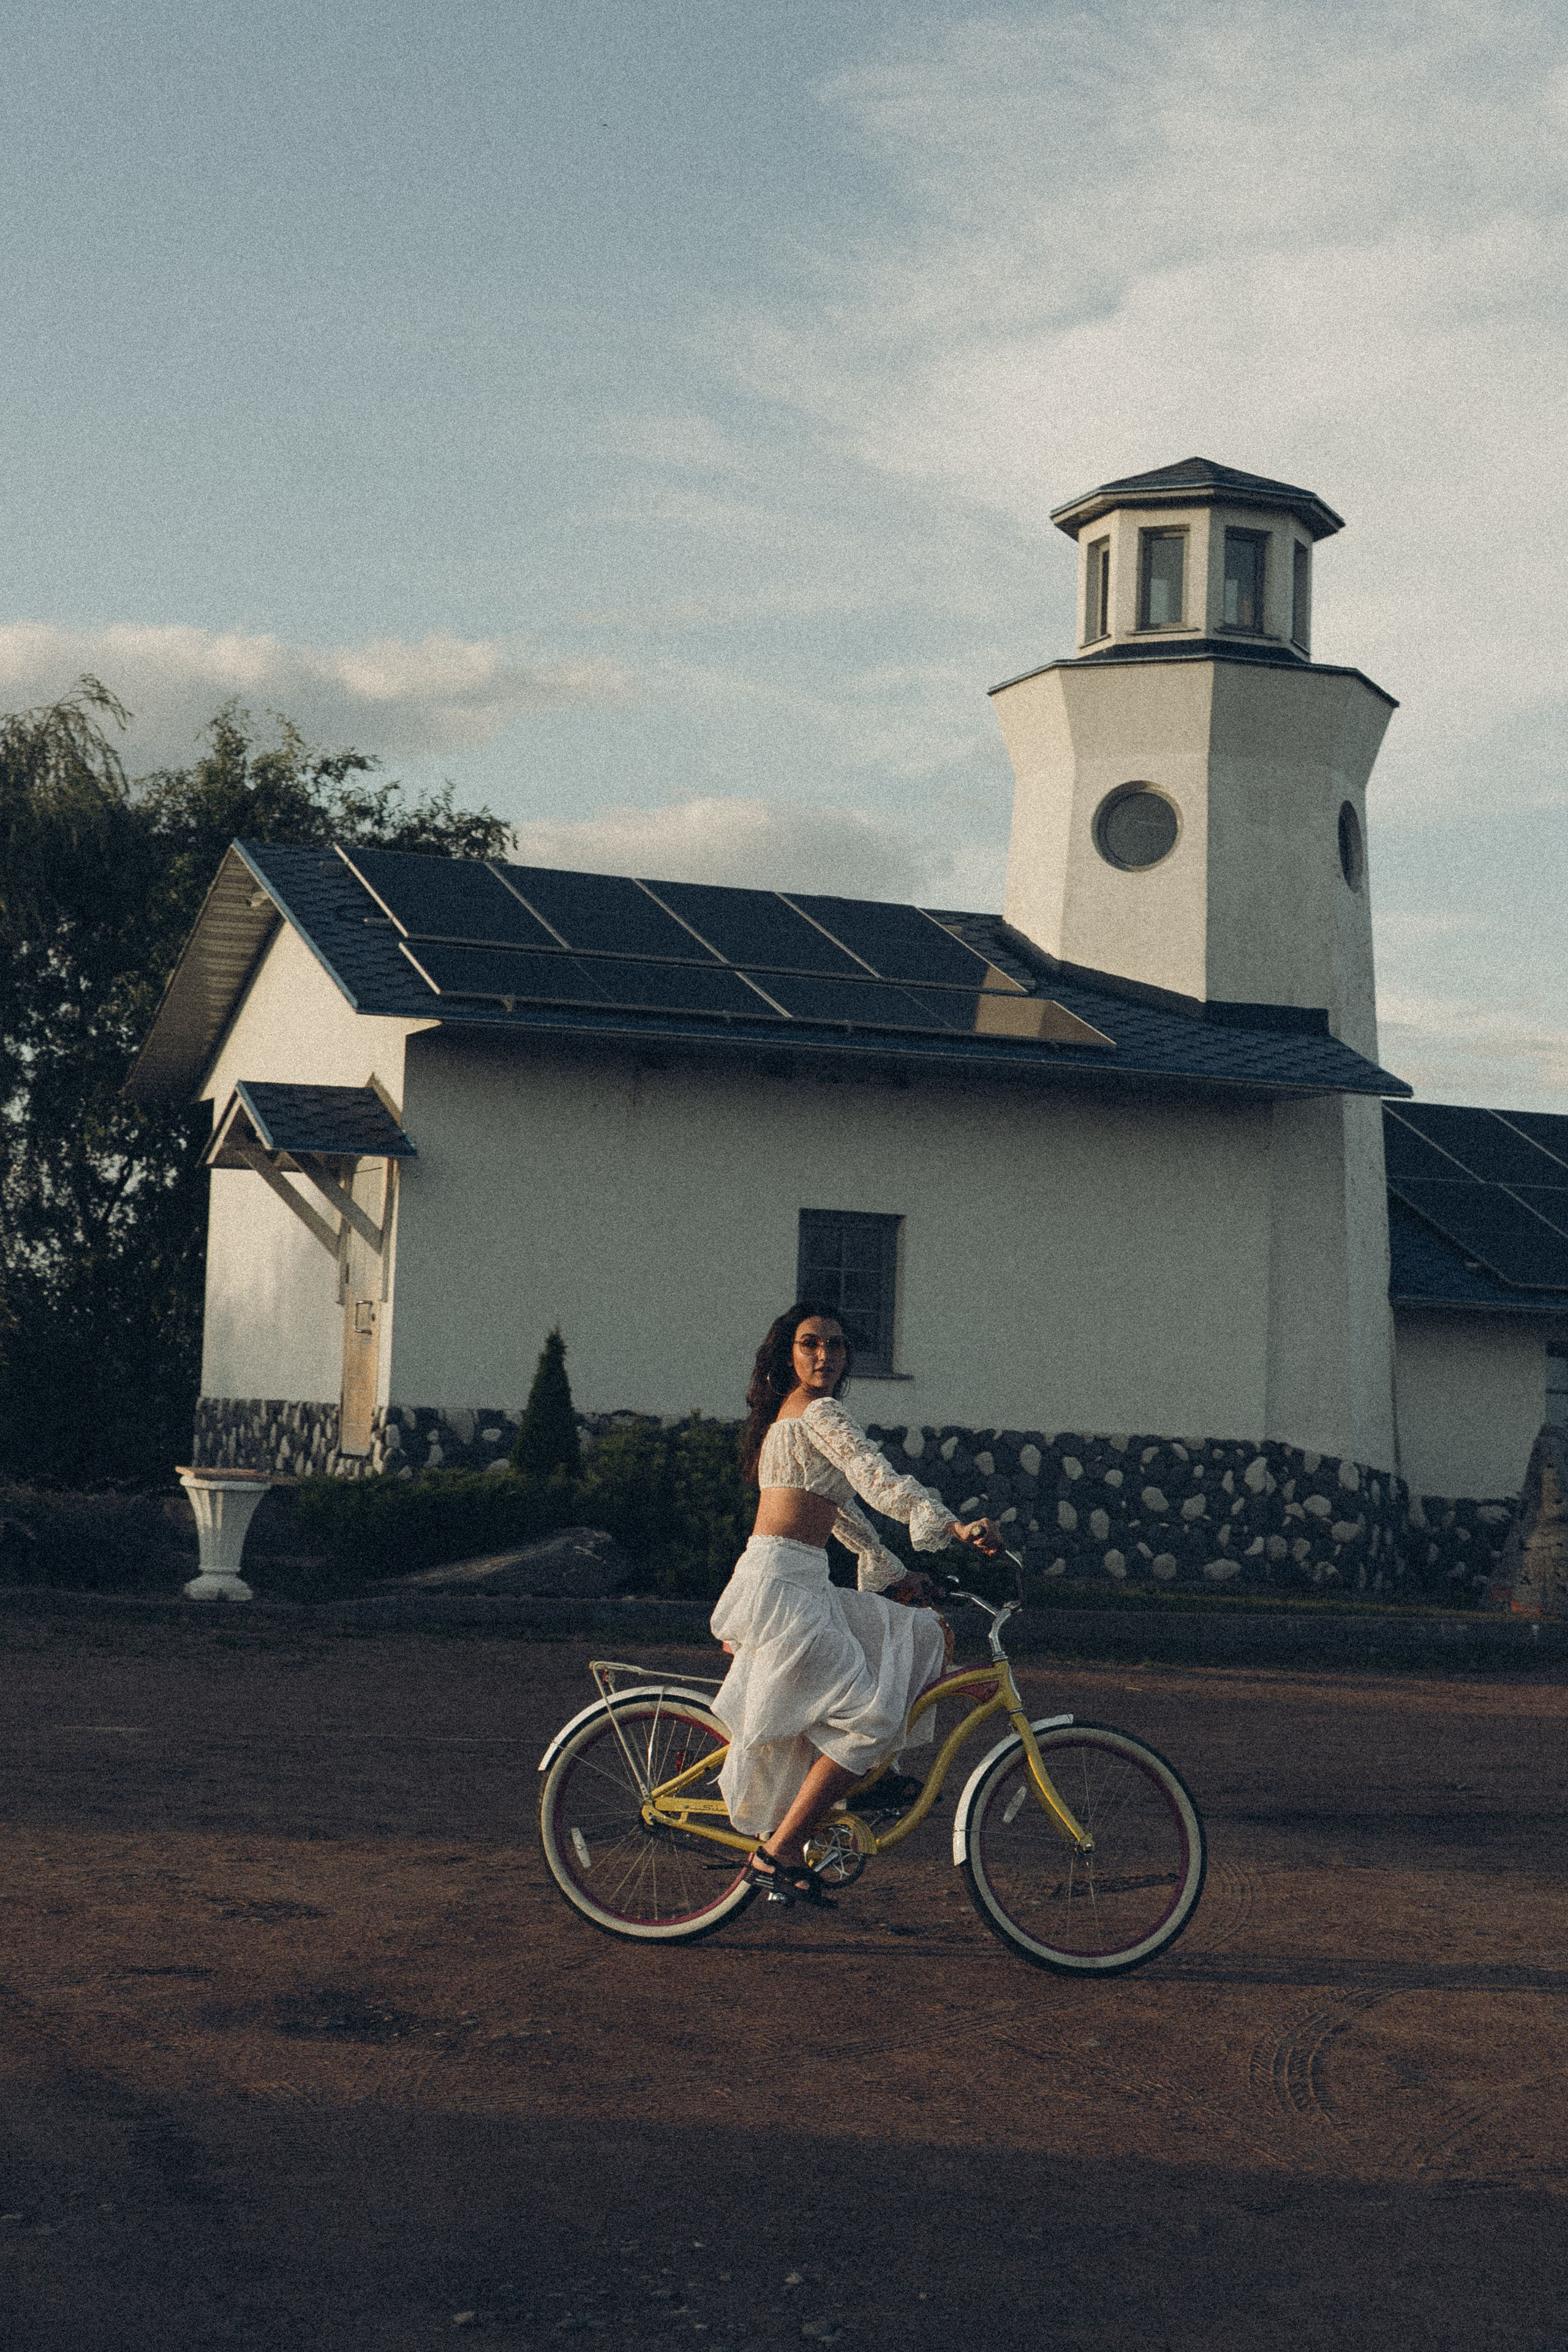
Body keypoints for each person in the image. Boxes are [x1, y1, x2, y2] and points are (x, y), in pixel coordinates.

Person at [710, 1301, 1003, 1908]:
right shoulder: (818, 1412)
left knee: (918, 1633)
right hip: (782, 1586)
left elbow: (840, 1512)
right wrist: (952, 1529)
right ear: (787, 1353)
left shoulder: (795, 1418)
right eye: (810, 1343)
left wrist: (896, 1574)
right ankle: (779, 1850)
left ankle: (871, 1779)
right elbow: (875, 1478)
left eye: (835, 1346)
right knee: (866, 1714)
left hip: (801, 1580)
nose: (824, 1355)